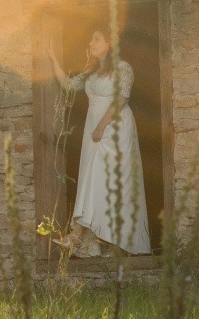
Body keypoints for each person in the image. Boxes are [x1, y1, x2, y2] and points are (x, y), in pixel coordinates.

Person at [45, 28, 152, 257]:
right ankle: (98, 240)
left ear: (109, 43)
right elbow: (68, 85)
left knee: (110, 181)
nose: (90, 43)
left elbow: (121, 99)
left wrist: (102, 126)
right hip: (94, 129)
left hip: (114, 127)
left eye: (96, 39)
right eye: (91, 39)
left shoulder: (123, 68)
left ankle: (79, 235)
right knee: (96, 179)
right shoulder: (91, 72)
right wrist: (53, 58)